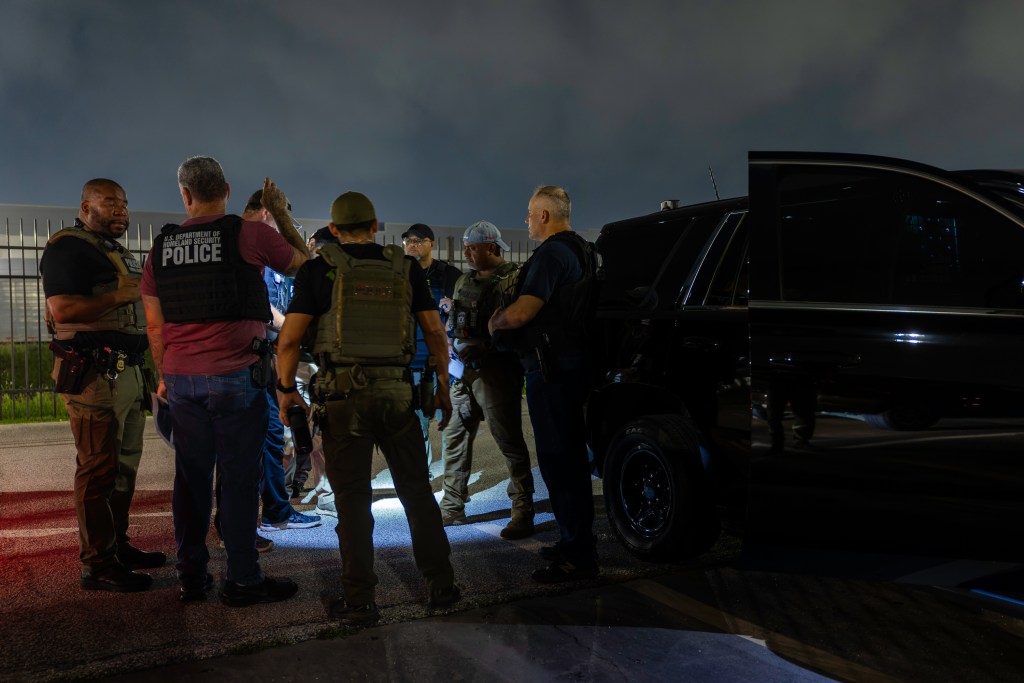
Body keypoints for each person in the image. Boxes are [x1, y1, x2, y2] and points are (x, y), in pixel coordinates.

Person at [276, 191, 461, 626]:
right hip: (398, 396)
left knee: (352, 503)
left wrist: (287, 391)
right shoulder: (407, 268)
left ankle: (359, 601)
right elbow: (435, 334)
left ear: (335, 231)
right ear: (376, 226)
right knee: (417, 494)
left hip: (343, 401)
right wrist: (440, 386)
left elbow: (288, 340)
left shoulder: (320, 270)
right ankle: (442, 587)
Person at [140, 156, 307, 606]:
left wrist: (164, 377)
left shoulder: (161, 249)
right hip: (238, 379)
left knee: (191, 480)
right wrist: (281, 212)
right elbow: (306, 268)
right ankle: (243, 579)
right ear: (228, 190)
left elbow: (155, 327)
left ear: (184, 194)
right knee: (238, 480)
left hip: (182, 381)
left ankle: (191, 577)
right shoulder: (249, 234)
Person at [40, 178, 165, 592]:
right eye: (110, 202)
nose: (121, 211)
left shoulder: (116, 252)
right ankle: (97, 564)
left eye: (125, 204)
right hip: (94, 377)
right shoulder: (67, 248)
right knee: (98, 470)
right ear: (85, 205)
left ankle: (116, 546)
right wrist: (119, 297)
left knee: (124, 467)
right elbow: (62, 310)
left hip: (127, 374)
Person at [488, 185, 599, 584]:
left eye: (530, 214)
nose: (527, 221)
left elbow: (523, 313)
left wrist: (496, 321)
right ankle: (575, 540)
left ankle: (577, 557)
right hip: (572, 366)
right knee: (569, 460)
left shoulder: (552, 253)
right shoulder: (583, 251)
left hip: (550, 370)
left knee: (559, 460)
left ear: (545, 216)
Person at [440, 221, 535, 539]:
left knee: (508, 440)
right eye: (465, 248)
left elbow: (517, 326)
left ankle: (522, 510)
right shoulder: (464, 279)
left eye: (473, 248)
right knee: (454, 438)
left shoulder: (514, 278)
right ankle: (451, 506)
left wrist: (485, 346)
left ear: (492, 247)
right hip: (463, 372)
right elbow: (456, 321)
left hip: (496, 371)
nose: (467, 254)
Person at [240, 190, 321, 533]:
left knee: (270, 435)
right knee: (253, 440)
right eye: (280, 218)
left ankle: (274, 510)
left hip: (263, 356)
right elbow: (266, 307)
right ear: (265, 212)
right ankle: (255, 520)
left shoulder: (252, 244)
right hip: (249, 357)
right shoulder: (247, 241)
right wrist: (295, 330)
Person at [402, 223, 462, 470]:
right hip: (412, 359)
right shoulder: (400, 274)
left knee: (449, 425)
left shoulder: (449, 274)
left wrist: (454, 307)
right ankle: (421, 476)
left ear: (431, 244)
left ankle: (452, 482)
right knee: (415, 426)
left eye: (418, 240)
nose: (412, 245)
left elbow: (462, 312)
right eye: (408, 241)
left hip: (443, 360)